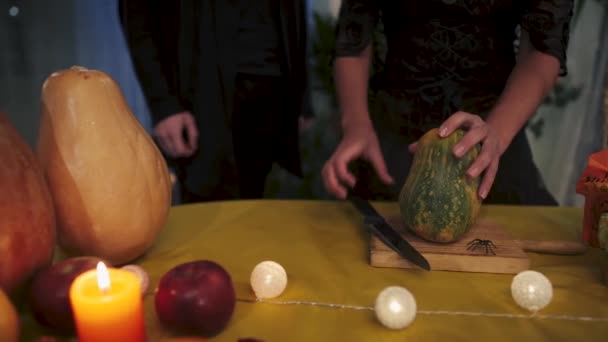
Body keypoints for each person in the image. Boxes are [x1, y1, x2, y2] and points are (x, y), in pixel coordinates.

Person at [322, 0, 574, 205]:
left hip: (492, 134)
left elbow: (542, 49)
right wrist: (355, 123)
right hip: (394, 135)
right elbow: (353, 37)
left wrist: (496, 132)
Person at [118, 0, 311, 203]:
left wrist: (302, 96)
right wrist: (164, 105)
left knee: (263, 212)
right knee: (207, 206)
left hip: (274, 88)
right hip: (201, 95)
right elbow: (137, 13)